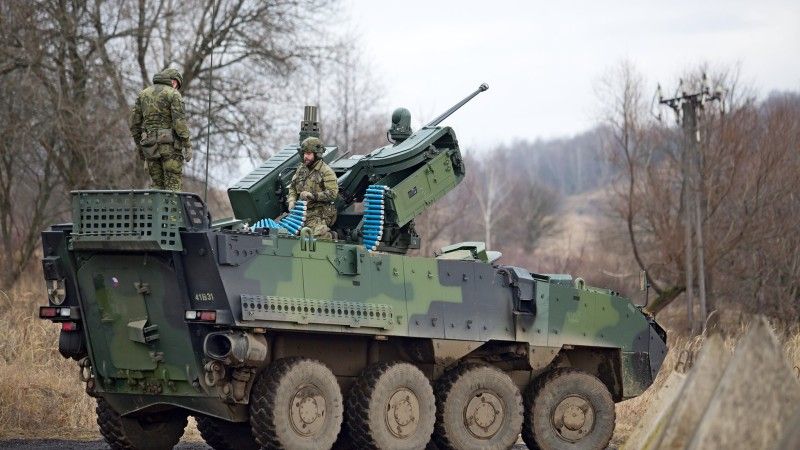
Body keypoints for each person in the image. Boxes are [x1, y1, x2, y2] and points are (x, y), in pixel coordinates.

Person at [129, 68, 192, 191]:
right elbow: (179, 124)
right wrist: (187, 145)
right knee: (173, 188)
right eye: (177, 85)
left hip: (150, 147)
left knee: (157, 187)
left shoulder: (143, 94)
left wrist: (141, 148)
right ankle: (171, 205)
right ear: (174, 82)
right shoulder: (173, 94)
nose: (176, 88)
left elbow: (134, 125)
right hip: (170, 148)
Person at [287, 137, 338, 239]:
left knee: (312, 236)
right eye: (304, 153)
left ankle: (330, 236)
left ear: (317, 154)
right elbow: (292, 187)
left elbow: (333, 194)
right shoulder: (301, 169)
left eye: (309, 154)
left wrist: (312, 196)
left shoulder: (326, 171)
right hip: (301, 211)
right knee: (283, 233)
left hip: (320, 212)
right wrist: (291, 200)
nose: (305, 156)